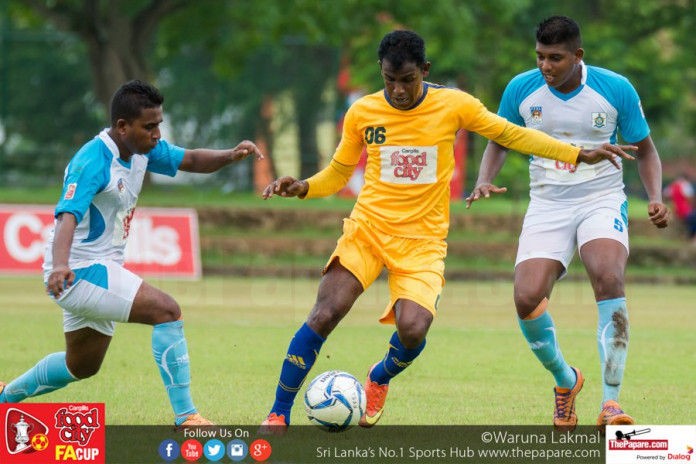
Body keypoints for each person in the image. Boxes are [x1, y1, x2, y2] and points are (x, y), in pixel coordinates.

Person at [259, 29, 635, 433]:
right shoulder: (363, 113)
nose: (399, 91)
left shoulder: (453, 105)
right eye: (390, 81)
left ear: (425, 70)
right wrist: (303, 187)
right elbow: (337, 173)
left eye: (408, 80)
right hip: (368, 230)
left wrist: (577, 152)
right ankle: (278, 413)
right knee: (326, 312)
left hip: (422, 243)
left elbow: (510, 133)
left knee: (413, 329)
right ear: (381, 73)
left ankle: (380, 375)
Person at [0, 80, 263, 429]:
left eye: (159, 125)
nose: (157, 134)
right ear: (123, 126)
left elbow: (193, 159)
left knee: (82, 366)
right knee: (167, 311)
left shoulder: (142, 149)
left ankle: (5, 398)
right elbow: (67, 216)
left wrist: (231, 155)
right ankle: (187, 417)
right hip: (78, 270)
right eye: (150, 126)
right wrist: (61, 266)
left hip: (96, 269)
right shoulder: (92, 160)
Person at [466, 16, 669, 430]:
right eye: (540, 57)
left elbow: (645, 151)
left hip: (601, 198)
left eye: (555, 58)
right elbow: (501, 138)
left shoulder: (615, 88)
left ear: (578, 56)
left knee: (608, 277)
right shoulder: (521, 89)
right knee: (526, 298)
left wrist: (655, 198)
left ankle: (611, 404)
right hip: (547, 204)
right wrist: (485, 177)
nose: (546, 66)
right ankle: (566, 380)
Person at [664, 175, 696, 242]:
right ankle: (691, 236)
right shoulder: (686, 185)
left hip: (676, 211)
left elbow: (664, 196)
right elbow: (690, 199)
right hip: (686, 212)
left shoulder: (672, 186)